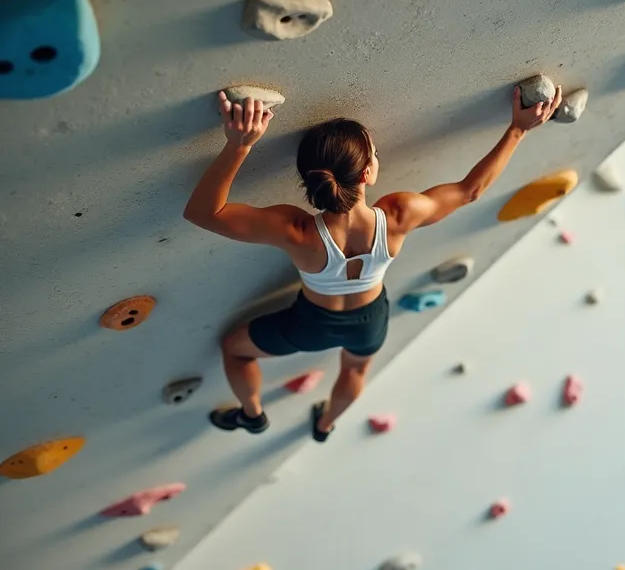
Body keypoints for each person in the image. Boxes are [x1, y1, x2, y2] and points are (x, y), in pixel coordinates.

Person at [184, 85, 562, 441]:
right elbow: (470, 191)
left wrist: (240, 144)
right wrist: (517, 130)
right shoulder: (399, 215)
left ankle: (252, 414)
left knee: (236, 348)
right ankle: (325, 425)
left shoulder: (295, 230)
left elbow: (204, 213)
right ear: (368, 173)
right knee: (355, 370)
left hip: (310, 324)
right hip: (368, 322)